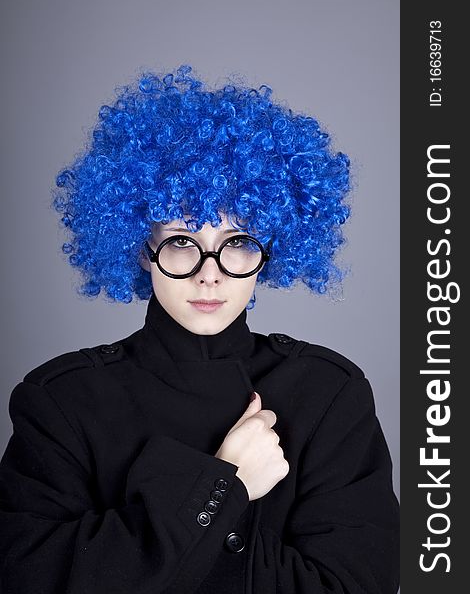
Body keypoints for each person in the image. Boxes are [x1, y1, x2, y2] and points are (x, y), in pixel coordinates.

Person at [0, 64, 399, 593]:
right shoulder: (63, 400)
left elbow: (353, 585)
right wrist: (223, 486)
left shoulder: (328, 394)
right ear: (143, 250)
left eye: (236, 242)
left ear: (268, 251)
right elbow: (34, 580)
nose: (210, 273)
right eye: (183, 242)